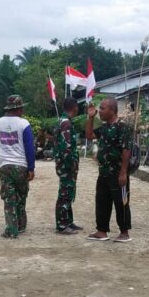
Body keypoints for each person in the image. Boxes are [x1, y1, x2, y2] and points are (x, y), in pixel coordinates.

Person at [0, 94, 35, 238]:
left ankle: (11, 230)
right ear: (18, 109)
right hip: (21, 167)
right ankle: (21, 225)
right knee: (21, 196)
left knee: (9, 199)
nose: (23, 111)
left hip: (4, 167)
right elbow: (29, 148)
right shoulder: (24, 124)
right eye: (22, 109)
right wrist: (31, 168)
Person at [85, 97, 132, 242]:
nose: (99, 111)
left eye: (103, 108)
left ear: (112, 110)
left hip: (117, 173)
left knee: (121, 202)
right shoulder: (104, 128)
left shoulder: (122, 127)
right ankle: (102, 231)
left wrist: (123, 172)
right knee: (101, 201)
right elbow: (89, 135)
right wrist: (90, 118)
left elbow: (126, 149)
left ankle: (124, 232)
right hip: (104, 172)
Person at [54, 97, 82, 235]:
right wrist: (71, 165)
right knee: (65, 194)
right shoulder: (66, 123)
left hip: (65, 164)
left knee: (68, 192)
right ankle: (62, 225)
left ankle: (68, 221)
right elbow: (67, 147)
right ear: (75, 108)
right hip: (67, 165)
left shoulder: (63, 121)